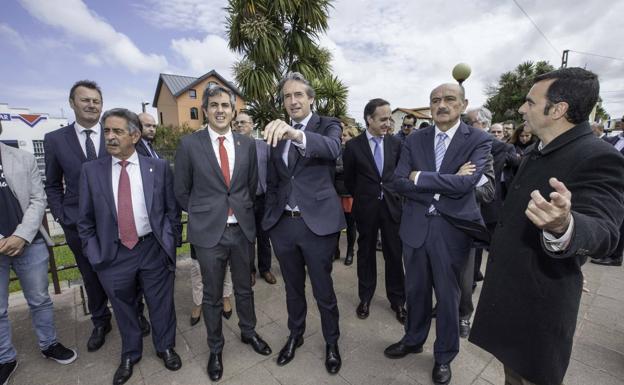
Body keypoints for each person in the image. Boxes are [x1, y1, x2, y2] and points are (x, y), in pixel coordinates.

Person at [470, 67, 624, 385]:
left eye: (530, 102)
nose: (522, 109)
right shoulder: (538, 150)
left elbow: (605, 230)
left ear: (557, 110)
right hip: (512, 295)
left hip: (538, 308)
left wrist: (564, 225)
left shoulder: (598, 156)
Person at [385, 83, 492, 385]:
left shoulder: (479, 139)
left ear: (462, 104)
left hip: (452, 232)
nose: (441, 105)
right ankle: (413, 339)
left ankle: (444, 356)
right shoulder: (414, 139)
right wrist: (441, 185)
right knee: (415, 291)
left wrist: (421, 178)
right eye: (435, 100)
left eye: (448, 99)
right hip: (416, 228)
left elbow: (466, 185)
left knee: (448, 297)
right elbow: (398, 181)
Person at [78, 108, 182, 385]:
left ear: (135, 136)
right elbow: (84, 220)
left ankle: (165, 347)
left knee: (161, 304)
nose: (110, 137)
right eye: (107, 131)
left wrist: (171, 243)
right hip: (113, 254)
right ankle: (130, 353)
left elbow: (172, 212)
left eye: (117, 131)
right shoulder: (91, 171)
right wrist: (94, 253)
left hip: (152, 249)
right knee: (123, 307)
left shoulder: (157, 168)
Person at [174, 85, 271, 381]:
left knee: (244, 289)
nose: (220, 110)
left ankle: (248, 332)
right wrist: (205, 212)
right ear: (205, 110)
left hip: (241, 230)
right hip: (208, 234)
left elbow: (252, 187)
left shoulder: (246, 144)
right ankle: (215, 348)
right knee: (213, 295)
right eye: (214, 105)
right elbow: (181, 191)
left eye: (225, 106)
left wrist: (239, 213)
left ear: (233, 110)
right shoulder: (190, 145)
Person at [44, 80, 148, 352]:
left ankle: (137, 312)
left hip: (118, 222)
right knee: (91, 275)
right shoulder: (55, 140)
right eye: (85, 100)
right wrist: (62, 215)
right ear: (72, 103)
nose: (91, 105)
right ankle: (101, 321)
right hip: (79, 225)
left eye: (96, 101)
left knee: (131, 272)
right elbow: (53, 184)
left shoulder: (115, 134)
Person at [262, 72, 345, 374]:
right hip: (283, 225)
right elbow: (274, 180)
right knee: (293, 288)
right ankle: (295, 335)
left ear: (311, 98)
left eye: (299, 95)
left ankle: (332, 342)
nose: (293, 101)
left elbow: (333, 150)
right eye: (287, 96)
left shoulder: (328, 125)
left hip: (318, 226)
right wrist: (270, 219)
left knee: (323, 289)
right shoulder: (274, 132)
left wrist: (295, 135)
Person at [0, 122, 78, 385]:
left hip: (29, 242)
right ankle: (5, 358)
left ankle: (49, 344)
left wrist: (21, 234)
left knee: (40, 299)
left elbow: (38, 198)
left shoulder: (22, 157)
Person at [343, 98, 406, 324]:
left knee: (394, 254)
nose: (388, 123)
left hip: (392, 208)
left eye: (390, 118)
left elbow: (399, 174)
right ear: (369, 119)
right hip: (366, 209)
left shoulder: (396, 144)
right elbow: (349, 180)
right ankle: (365, 298)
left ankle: (398, 300)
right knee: (366, 253)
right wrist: (365, 195)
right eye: (383, 119)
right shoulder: (353, 146)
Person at [233, 111, 276, 284]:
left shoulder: (264, 147)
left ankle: (265, 269)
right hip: (243, 201)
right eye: (237, 123)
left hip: (263, 199)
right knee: (247, 238)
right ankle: (249, 270)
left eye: (243, 122)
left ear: (252, 125)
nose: (240, 125)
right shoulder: (231, 148)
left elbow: (273, 173)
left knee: (264, 237)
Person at [591, 117, 624, 267]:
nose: (621, 123)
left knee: (621, 222)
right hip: (609, 185)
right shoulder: (614, 139)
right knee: (610, 217)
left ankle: (616, 256)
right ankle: (607, 251)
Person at [334, 125, 358, 265]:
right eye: (342, 135)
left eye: (346, 135)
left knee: (350, 225)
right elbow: (332, 168)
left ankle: (350, 252)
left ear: (352, 137)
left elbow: (351, 170)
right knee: (336, 225)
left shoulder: (357, 151)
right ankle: (335, 250)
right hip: (336, 192)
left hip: (350, 193)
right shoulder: (337, 149)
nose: (342, 137)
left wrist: (338, 169)